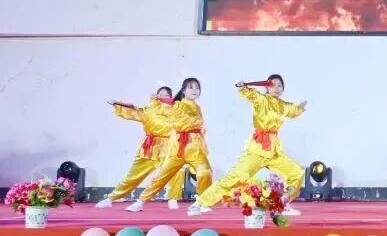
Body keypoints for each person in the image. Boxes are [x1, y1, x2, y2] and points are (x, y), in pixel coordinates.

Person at [189, 75, 305, 216]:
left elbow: (293, 110)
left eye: (279, 85)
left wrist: (301, 107)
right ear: (267, 87)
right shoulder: (261, 99)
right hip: (257, 149)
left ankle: (282, 204)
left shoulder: (283, 105)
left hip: (274, 151)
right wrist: (243, 88)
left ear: (283, 89)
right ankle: (201, 203)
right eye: (273, 85)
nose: (276, 88)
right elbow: (250, 94)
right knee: (234, 177)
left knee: (297, 172)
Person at [128, 78, 214, 212]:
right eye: (191, 87)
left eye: (197, 87)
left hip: (195, 147)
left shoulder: (197, 107)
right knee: (162, 177)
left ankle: (202, 202)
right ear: (184, 91)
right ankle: (140, 201)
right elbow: (162, 109)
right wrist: (155, 101)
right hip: (179, 148)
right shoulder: (178, 105)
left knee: (205, 172)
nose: (195, 90)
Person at [95, 86, 185, 210]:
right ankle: (111, 198)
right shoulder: (149, 111)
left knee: (176, 171)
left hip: (169, 146)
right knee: (134, 175)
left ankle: (173, 198)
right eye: (160, 94)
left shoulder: (176, 112)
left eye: (166, 95)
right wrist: (117, 104)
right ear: (156, 96)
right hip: (150, 147)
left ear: (171, 97)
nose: (163, 97)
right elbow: (133, 112)